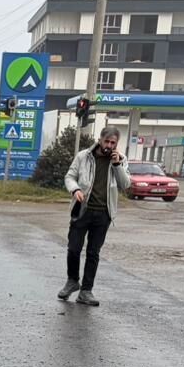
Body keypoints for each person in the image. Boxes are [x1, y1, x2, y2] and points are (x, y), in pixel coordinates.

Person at [57, 127, 131, 307]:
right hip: (82, 209)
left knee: (93, 252)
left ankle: (86, 291)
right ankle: (72, 281)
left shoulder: (120, 160)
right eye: (107, 141)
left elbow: (125, 184)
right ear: (100, 140)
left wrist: (117, 165)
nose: (109, 146)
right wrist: (75, 189)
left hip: (103, 213)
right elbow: (70, 176)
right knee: (74, 248)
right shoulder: (83, 156)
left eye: (113, 143)